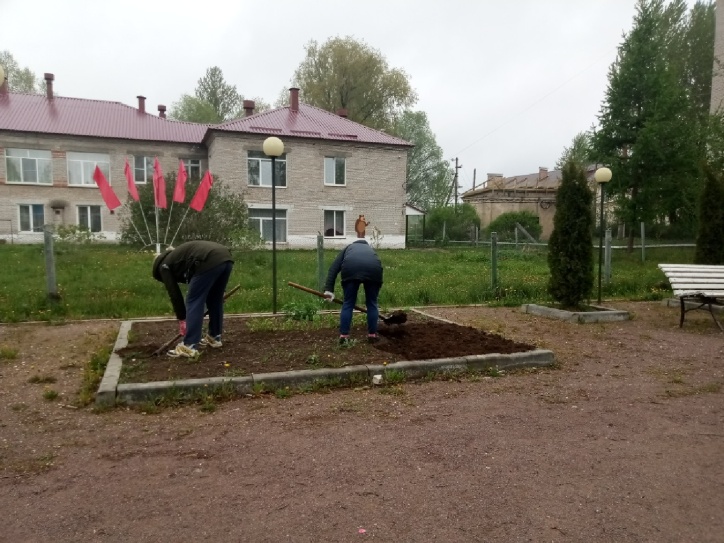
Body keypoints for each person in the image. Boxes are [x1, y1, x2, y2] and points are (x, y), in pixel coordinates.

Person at [152, 240, 234, 358]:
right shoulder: (177, 257)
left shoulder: (163, 267)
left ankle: (189, 345)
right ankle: (214, 337)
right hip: (225, 257)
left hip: (207, 259)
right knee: (215, 299)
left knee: (193, 300)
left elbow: (175, 294)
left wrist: (182, 319)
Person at [323, 228, 383, 344]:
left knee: (348, 303)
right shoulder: (370, 250)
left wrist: (328, 289)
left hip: (351, 270)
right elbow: (379, 267)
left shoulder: (348, 248)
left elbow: (333, 268)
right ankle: (372, 334)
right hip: (373, 271)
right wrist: (377, 288)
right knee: (372, 303)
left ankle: (344, 335)